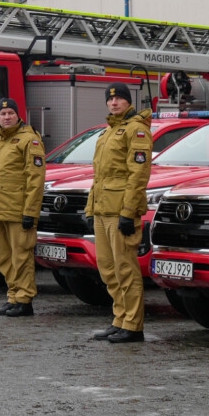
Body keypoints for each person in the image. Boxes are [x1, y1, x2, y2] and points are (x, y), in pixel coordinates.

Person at [87, 83, 156, 342]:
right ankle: (120, 318)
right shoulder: (108, 132)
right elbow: (99, 175)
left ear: (129, 101)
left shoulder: (136, 130)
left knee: (125, 268)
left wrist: (128, 212)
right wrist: (90, 208)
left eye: (119, 98)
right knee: (107, 268)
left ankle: (133, 324)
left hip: (120, 211)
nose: (114, 103)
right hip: (103, 209)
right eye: (110, 99)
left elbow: (138, 175)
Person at [0, 98, 46, 316]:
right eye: (2, 113)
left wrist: (30, 212)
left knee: (21, 257)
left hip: (18, 211)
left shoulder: (30, 140)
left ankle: (24, 300)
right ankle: (12, 296)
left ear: (18, 115)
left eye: (10, 113)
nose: (6, 117)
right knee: (4, 258)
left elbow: (35, 179)